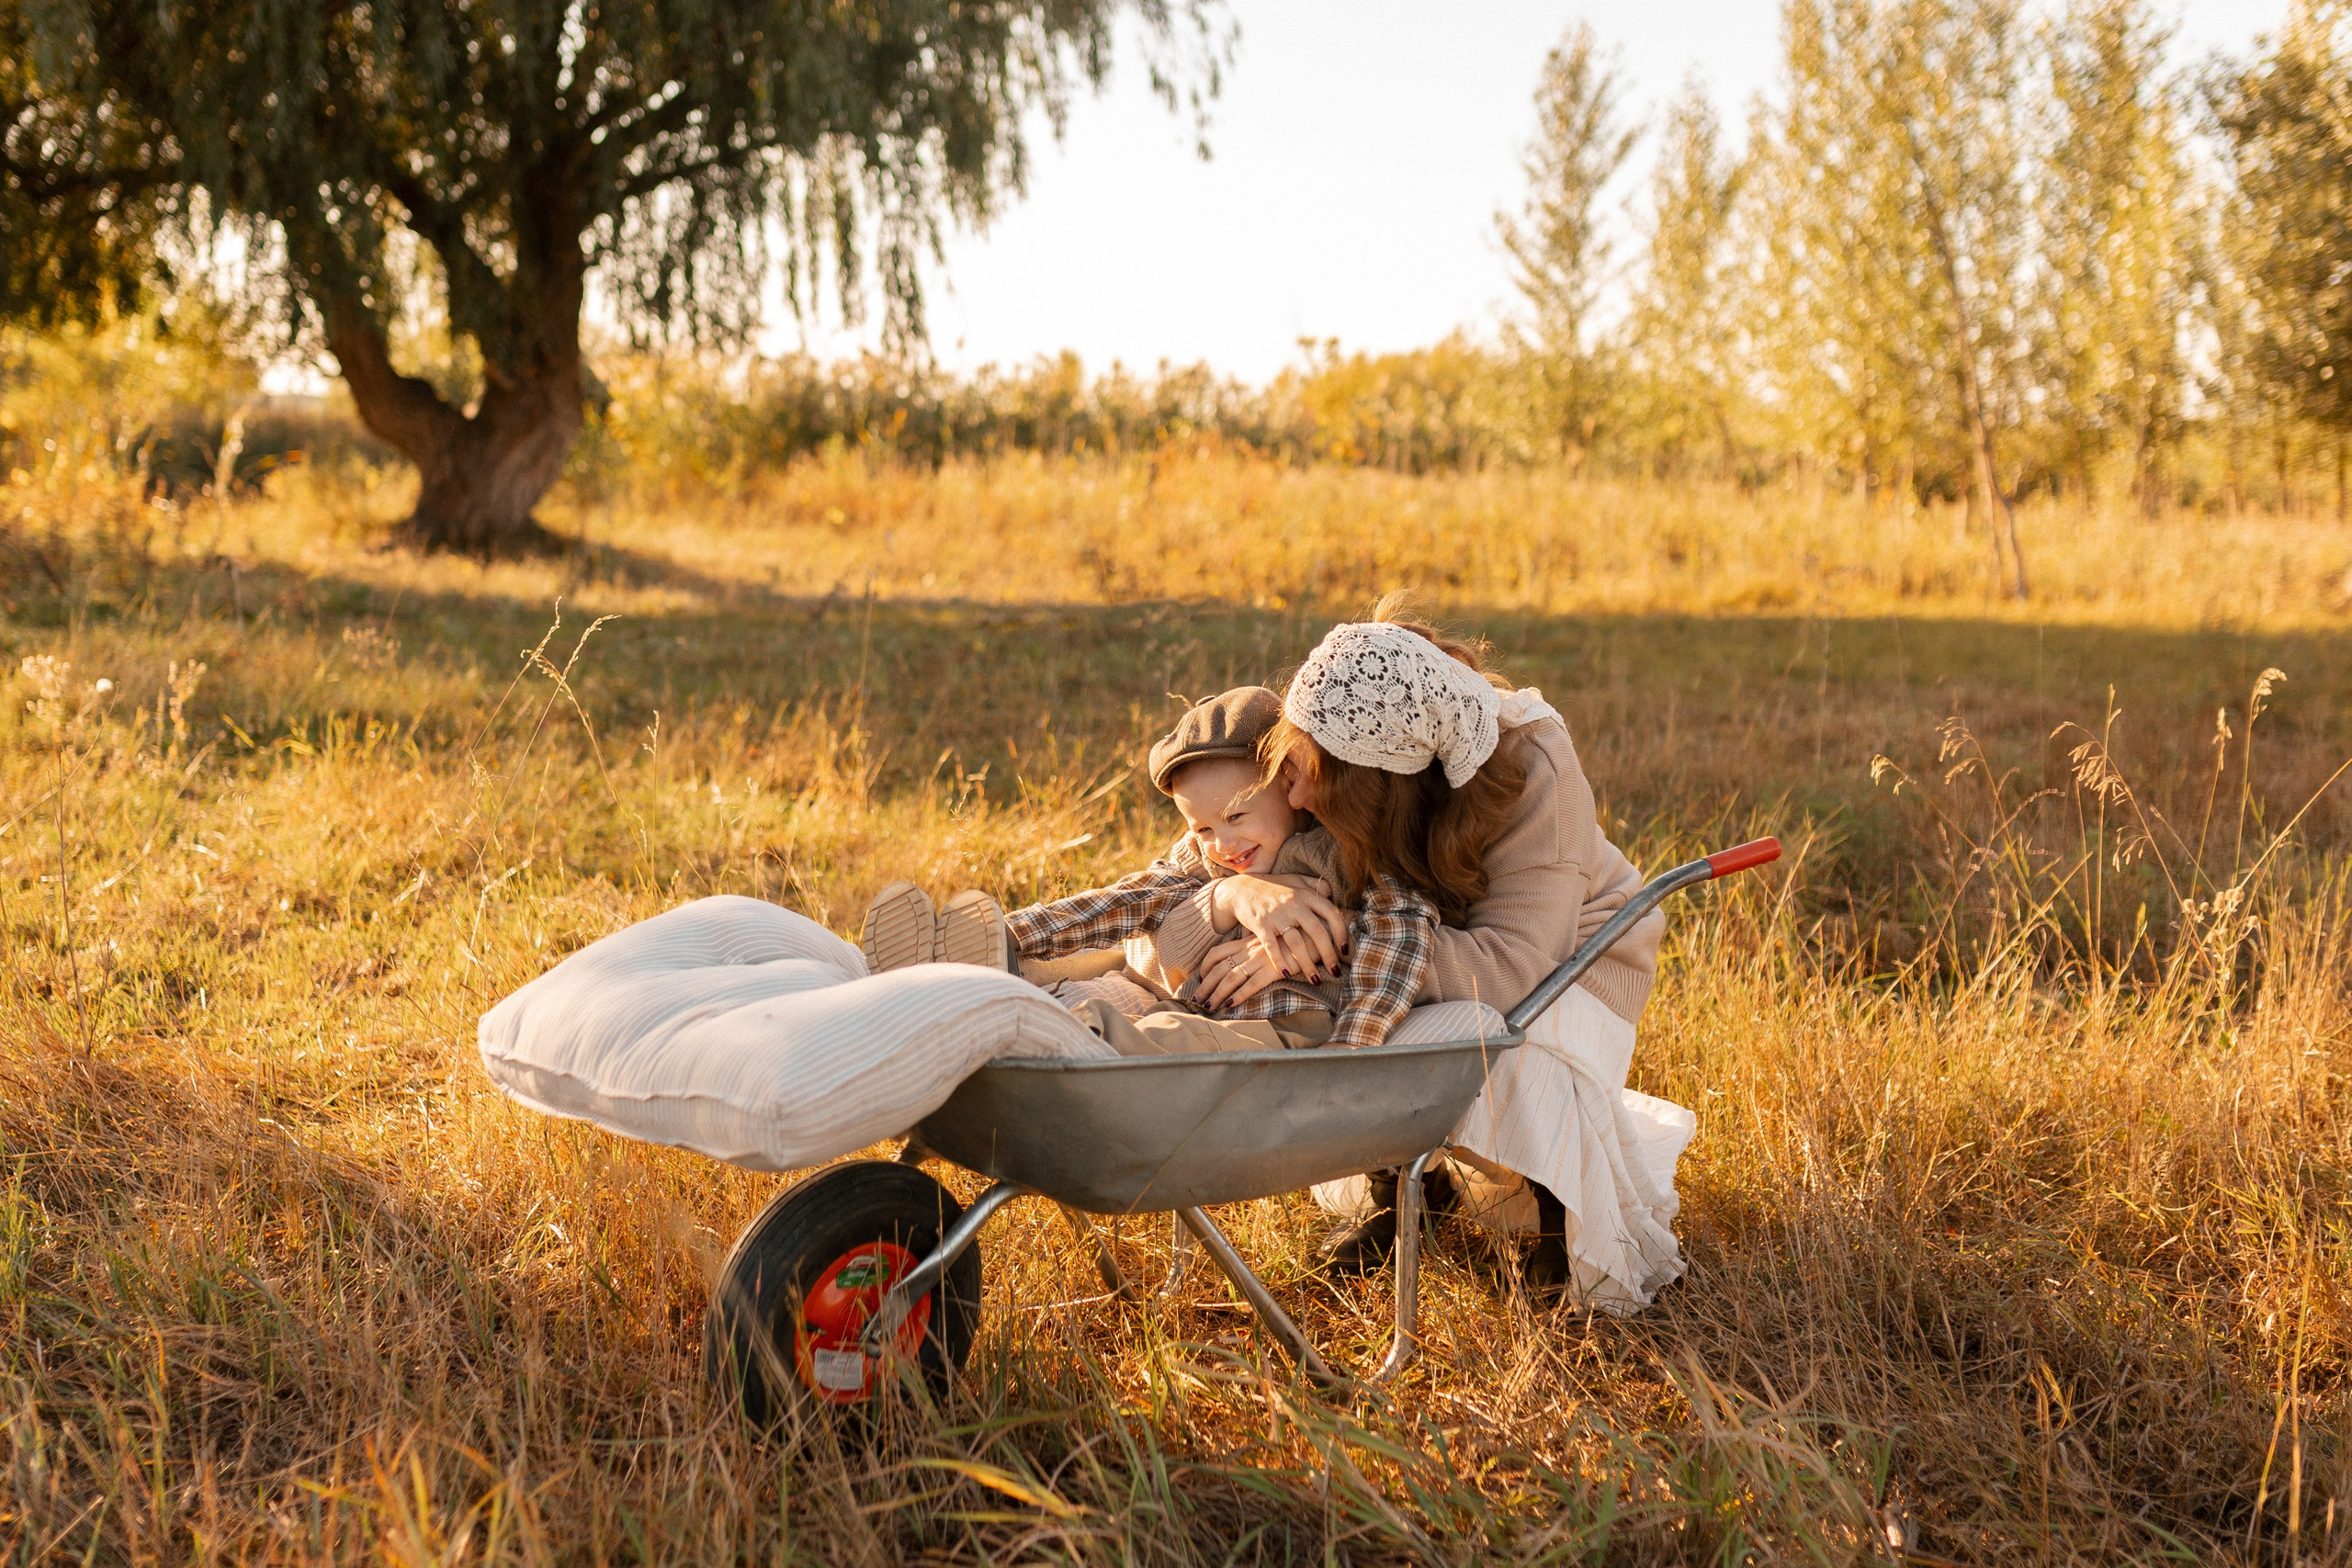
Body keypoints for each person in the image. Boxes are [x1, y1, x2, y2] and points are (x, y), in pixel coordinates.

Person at [1143, 602, 1690, 1308]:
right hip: (1417, 937)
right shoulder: (1335, 736)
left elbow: (1508, 969)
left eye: (1311, 775)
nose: (1296, 793)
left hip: (1569, 961)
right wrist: (1241, 898)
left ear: (1381, 782)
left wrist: (1322, 942)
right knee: (1346, 1004)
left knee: (1476, 1033)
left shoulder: (1536, 769)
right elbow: (1170, 883)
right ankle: (1404, 1190)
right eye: (1290, 769)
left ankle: (1559, 1212)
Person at [858, 688, 1439, 1055]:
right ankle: (957, 973)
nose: (1224, 844)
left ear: (1291, 785)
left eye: (1237, 816)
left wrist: (1357, 1055)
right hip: (1185, 1003)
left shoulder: (1342, 853)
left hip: (1280, 1030)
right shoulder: (1203, 856)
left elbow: (1400, 937)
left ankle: (1030, 1036)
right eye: (1203, 827)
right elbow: (1124, 904)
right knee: (1088, 990)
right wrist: (1007, 934)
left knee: (1153, 1041)